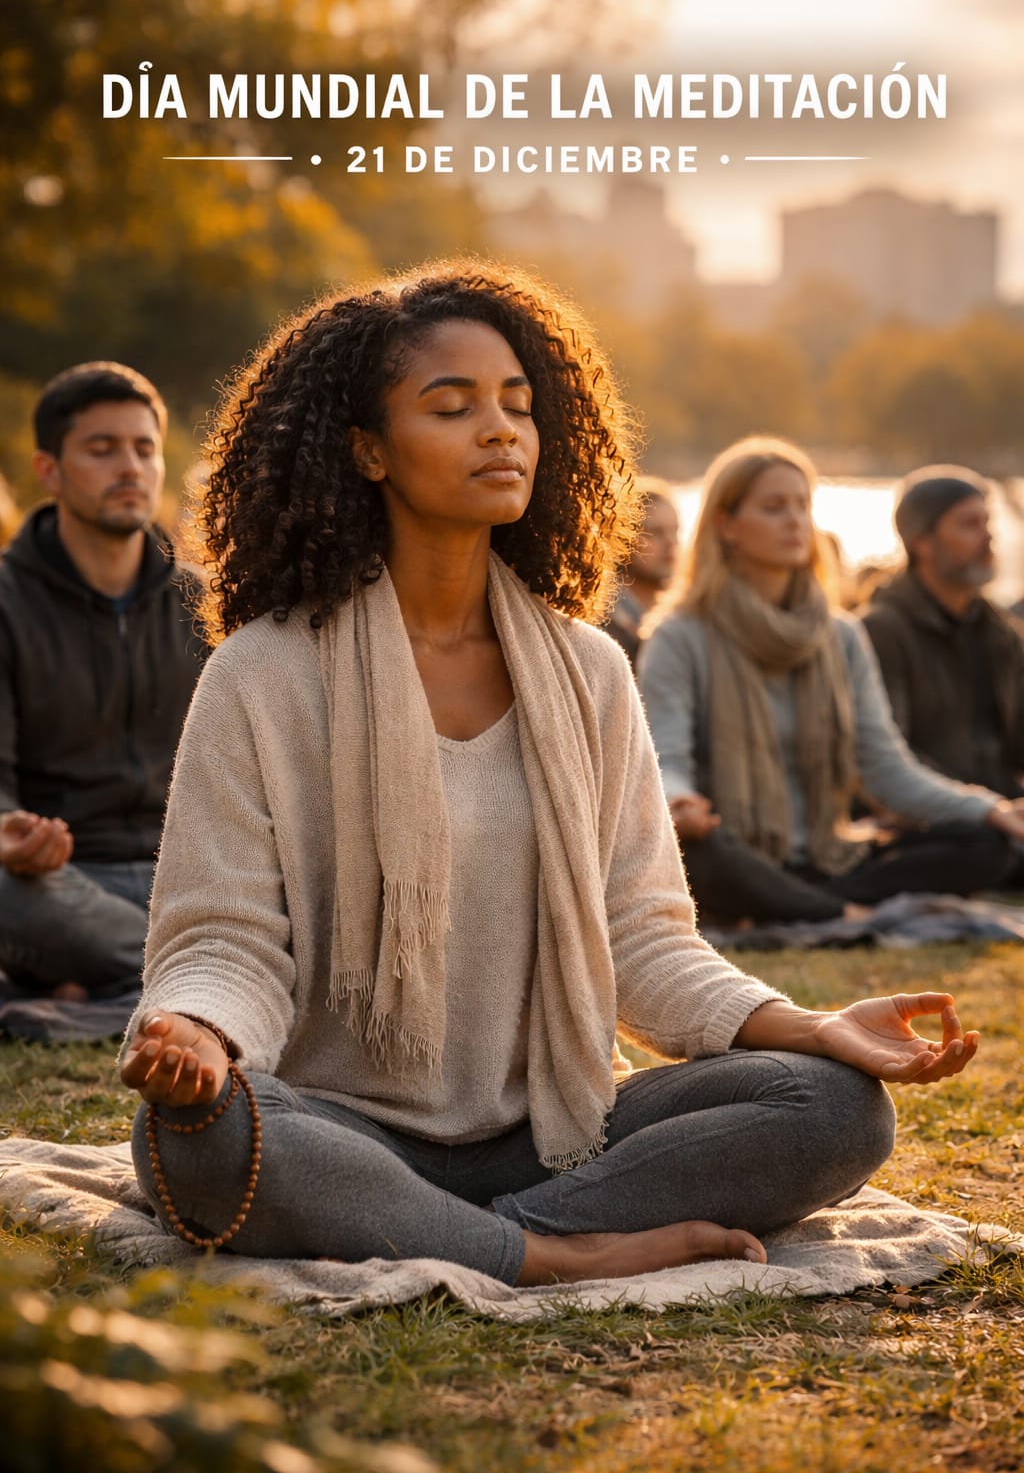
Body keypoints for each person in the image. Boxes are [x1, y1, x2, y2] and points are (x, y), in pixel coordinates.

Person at [120, 268, 976, 1288]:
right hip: (339, 1122)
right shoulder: (261, 673)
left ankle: (470, 1230)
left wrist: (812, 1025)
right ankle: (551, 1249)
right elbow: (227, 939)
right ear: (365, 449)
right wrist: (199, 1038)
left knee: (835, 1107)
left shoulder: (590, 671)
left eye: (518, 406)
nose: (500, 431)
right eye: (453, 406)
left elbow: (645, 941)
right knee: (194, 1136)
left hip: (557, 1132)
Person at [638, 437, 1024, 927]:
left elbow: (886, 768)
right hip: (735, 852)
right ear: (726, 526)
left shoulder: (841, 634)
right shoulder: (680, 636)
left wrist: (990, 809)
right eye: (774, 507)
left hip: (831, 855)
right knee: (694, 854)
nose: (796, 521)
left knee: (985, 843)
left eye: (803, 505)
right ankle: (835, 910)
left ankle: (813, 904)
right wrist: (680, 803)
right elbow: (665, 761)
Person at [0, 362, 207, 1000]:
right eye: (102, 448)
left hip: (188, 881)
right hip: (60, 883)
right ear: (49, 471)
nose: (130, 467)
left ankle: (103, 984)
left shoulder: (205, 604)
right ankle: (194, 981)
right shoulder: (6, 603)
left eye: (144, 449)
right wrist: (13, 837)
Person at [861, 467, 1024, 807]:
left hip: (1002, 810)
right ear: (922, 542)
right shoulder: (882, 631)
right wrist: (980, 809)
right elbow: (888, 759)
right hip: (933, 819)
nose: (988, 536)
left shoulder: (999, 633)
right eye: (969, 524)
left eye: (987, 521)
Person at [601, 476, 679, 669]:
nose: (671, 543)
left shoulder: (683, 613)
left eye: (675, 531)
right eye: (656, 532)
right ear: (624, 540)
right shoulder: (602, 620)